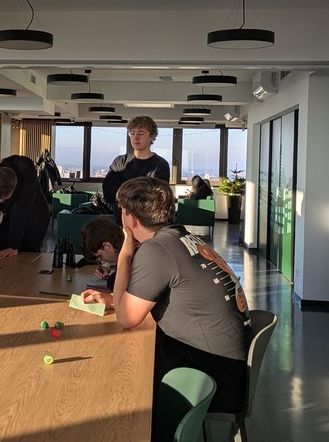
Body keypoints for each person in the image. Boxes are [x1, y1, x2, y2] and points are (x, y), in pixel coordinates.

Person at [81, 177, 250, 442]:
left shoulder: (157, 249)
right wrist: (115, 299)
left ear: (130, 218)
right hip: (227, 370)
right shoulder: (182, 237)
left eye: (122, 210)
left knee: (121, 375)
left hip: (208, 380)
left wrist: (126, 250)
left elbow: (126, 318)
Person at [0, 154, 50, 257]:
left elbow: (21, 211)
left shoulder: (25, 170)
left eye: (5, 198)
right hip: (2, 220)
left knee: (27, 256)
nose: (1, 201)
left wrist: (14, 246)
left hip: (33, 218)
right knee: (0, 252)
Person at [102, 115, 171, 222]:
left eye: (141, 133)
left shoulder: (160, 165)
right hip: (121, 220)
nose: (136, 137)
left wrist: (124, 194)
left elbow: (158, 199)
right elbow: (109, 193)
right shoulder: (120, 162)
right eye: (132, 133)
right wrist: (140, 193)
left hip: (148, 222)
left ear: (152, 136)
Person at [79, 217, 123, 287]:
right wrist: (111, 268)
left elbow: (120, 283)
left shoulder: (135, 255)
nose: (102, 261)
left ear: (107, 246)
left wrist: (113, 276)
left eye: (100, 256)